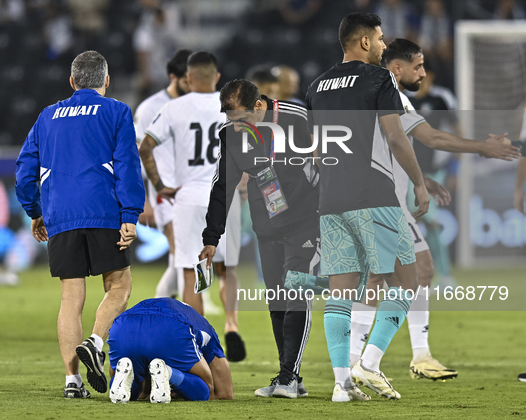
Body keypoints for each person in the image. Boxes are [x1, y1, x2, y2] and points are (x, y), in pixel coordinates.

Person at [349, 38, 521, 381]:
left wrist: (422, 177)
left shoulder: (366, 93)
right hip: (383, 201)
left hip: (367, 197)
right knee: (414, 270)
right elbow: (432, 138)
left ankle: (377, 358)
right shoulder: (392, 95)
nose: (424, 73)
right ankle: (371, 361)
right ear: (397, 68)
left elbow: (381, 149)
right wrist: (483, 147)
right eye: (418, 66)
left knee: (384, 276)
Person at [305, 12, 430, 401]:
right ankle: (370, 364)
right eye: (379, 39)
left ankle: (342, 384)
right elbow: (395, 137)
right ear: (363, 42)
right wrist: (421, 184)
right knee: (408, 281)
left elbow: (315, 149)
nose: (382, 44)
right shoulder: (380, 78)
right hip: (373, 194)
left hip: (331, 199)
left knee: (340, 290)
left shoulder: (316, 87)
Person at [15, 51, 144, 398]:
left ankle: (72, 382)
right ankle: (96, 342)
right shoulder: (116, 111)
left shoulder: (47, 116)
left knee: (71, 298)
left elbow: (25, 171)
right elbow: (128, 165)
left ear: (72, 82)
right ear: (106, 81)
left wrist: (35, 211)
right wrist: (130, 214)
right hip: (103, 210)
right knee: (119, 286)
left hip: (61, 214)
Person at [199, 79, 319, 399]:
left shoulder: (297, 117)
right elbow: (223, 187)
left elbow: (329, 159)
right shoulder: (229, 135)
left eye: (240, 119)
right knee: (277, 299)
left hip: (306, 222)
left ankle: (289, 376)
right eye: (229, 120)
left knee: (296, 290)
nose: (235, 127)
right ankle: (289, 374)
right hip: (267, 226)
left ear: (259, 107)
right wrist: (212, 237)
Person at [139, 52, 246, 362]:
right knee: (228, 269)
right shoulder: (230, 107)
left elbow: (145, 148)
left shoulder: (173, 108)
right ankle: (231, 323)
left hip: (188, 198)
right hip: (224, 197)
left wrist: (159, 187)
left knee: (191, 273)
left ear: (188, 78)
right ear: (216, 77)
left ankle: (201, 345)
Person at [134, 49, 192, 300]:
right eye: (187, 81)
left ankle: (161, 307)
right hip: (163, 191)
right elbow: (135, 154)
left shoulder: (199, 104)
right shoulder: (150, 108)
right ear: (173, 77)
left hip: (194, 191)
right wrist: (142, 199)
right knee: (182, 253)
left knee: (181, 256)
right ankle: (186, 314)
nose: (193, 87)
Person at [107, 298, 233, 403]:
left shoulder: (186, 313)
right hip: (171, 326)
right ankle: (169, 373)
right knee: (206, 390)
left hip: (123, 325)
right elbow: (225, 394)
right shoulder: (207, 331)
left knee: (132, 381)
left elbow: (113, 371)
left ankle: (126, 380)